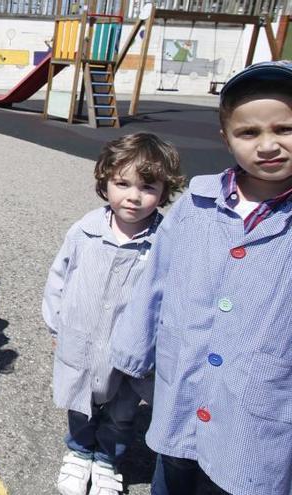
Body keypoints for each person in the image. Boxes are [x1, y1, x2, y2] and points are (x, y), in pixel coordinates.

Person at [110, 61, 292, 495]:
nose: (267, 145)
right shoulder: (200, 201)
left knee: (239, 478)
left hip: (259, 403)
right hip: (186, 391)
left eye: (284, 129)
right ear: (226, 139)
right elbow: (157, 276)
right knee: (172, 476)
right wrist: (133, 349)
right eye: (249, 133)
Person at [44, 133, 184, 495]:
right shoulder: (86, 230)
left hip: (129, 351)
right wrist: (56, 322)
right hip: (82, 337)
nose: (134, 197)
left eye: (147, 186)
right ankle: (78, 451)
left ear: (164, 190)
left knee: (122, 411)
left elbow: (170, 298)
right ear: (105, 183)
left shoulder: (164, 241)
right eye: (122, 184)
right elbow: (59, 275)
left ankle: (107, 458)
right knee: (80, 401)